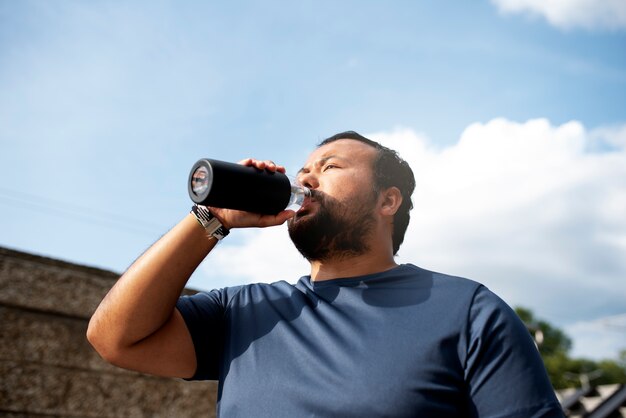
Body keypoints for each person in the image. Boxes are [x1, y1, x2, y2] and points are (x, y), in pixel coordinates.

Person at [87, 131, 564, 417]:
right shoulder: (244, 313)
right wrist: (211, 219)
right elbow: (117, 339)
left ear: (387, 200)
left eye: (329, 166)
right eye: (303, 170)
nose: (305, 179)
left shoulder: (468, 312)